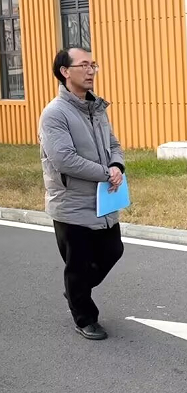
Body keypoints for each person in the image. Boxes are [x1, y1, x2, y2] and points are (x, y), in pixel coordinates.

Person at [38, 47, 125, 341]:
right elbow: (64, 159)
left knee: (113, 250)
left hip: (102, 199)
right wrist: (106, 173)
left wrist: (117, 166)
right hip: (71, 203)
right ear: (65, 72)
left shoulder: (96, 109)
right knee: (78, 264)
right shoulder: (54, 114)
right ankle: (84, 317)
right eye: (84, 65)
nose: (90, 71)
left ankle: (75, 290)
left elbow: (113, 144)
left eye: (93, 65)